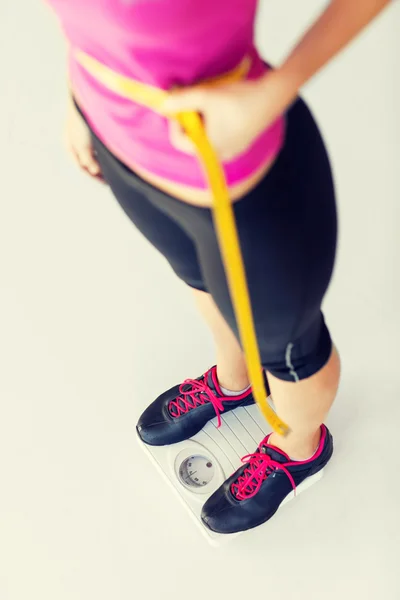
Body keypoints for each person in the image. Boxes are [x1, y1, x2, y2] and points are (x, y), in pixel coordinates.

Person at [49, 0, 391, 534]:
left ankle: (300, 447)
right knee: (199, 281)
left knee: (291, 351)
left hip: (238, 178)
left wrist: (273, 93)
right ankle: (235, 382)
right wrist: (79, 92)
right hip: (123, 149)